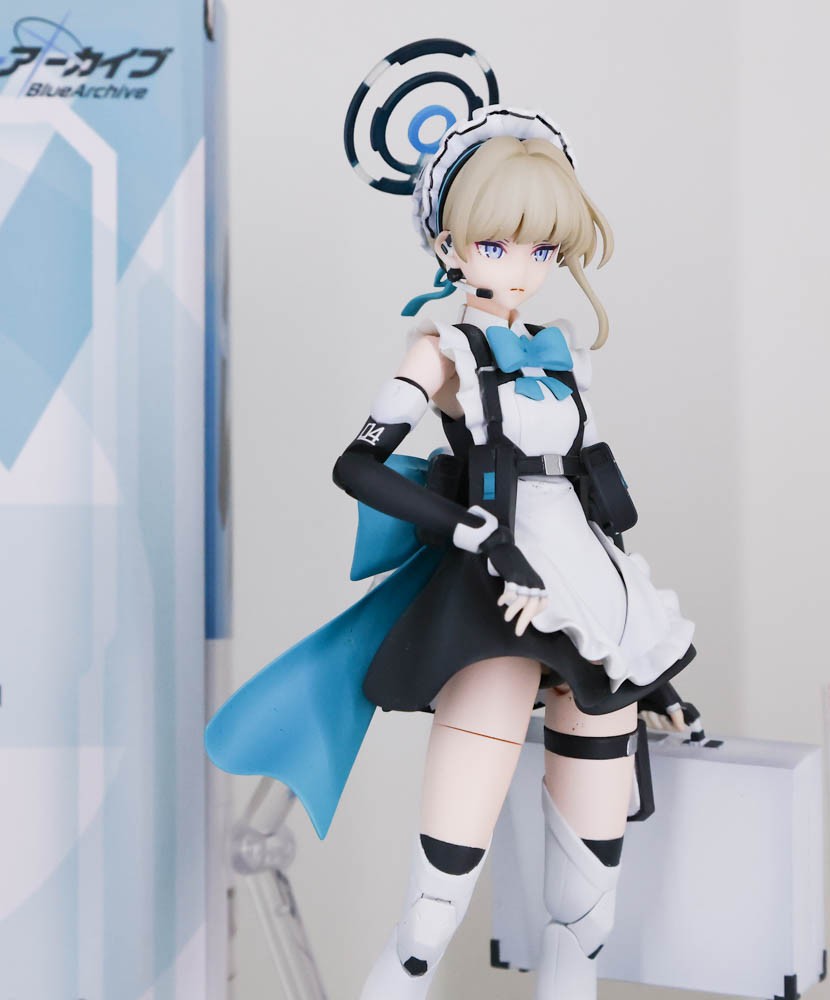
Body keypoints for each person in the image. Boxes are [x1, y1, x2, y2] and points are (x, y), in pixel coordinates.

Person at [206, 102, 701, 1000]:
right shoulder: (443, 353)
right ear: (449, 242)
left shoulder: (564, 358)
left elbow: (599, 508)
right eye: (499, 245)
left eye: (544, 249)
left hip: (596, 604)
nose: (523, 268)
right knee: (434, 909)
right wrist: (471, 531)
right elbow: (357, 465)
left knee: (586, 918)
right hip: (496, 604)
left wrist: (649, 664)